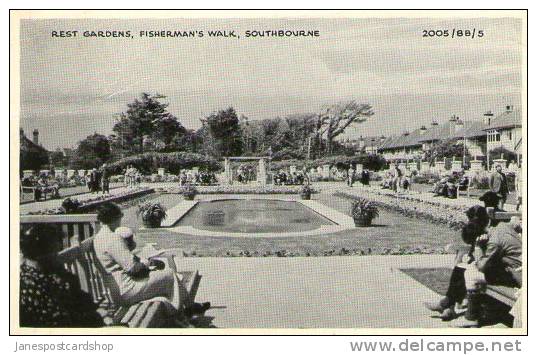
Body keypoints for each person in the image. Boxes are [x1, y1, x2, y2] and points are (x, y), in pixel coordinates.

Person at [92, 203, 210, 319]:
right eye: (120, 217)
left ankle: (188, 309)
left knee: (165, 277)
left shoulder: (99, 237)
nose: (120, 221)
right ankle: (181, 315)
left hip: (115, 290)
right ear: (115, 218)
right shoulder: (113, 239)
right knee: (170, 275)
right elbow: (133, 268)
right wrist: (147, 263)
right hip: (126, 291)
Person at [19, 224, 103, 328]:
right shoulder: (28, 284)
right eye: (54, 251)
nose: (57, 254)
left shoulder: (54, 272)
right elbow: (57, 318)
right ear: (42, 254)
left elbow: (83, 300)